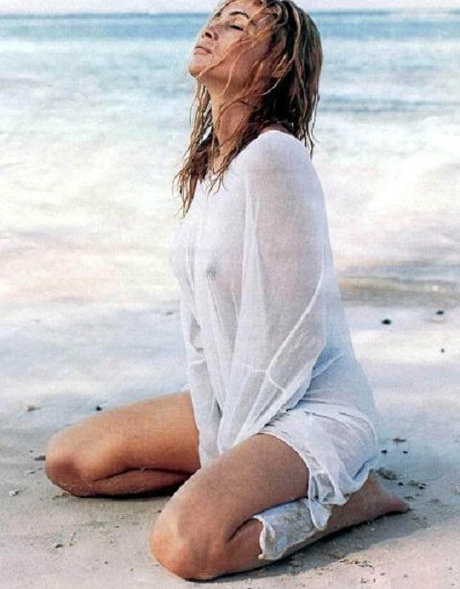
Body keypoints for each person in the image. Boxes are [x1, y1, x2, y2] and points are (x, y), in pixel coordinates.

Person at [44, 0, 409, 581]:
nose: (212, 27)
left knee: (187, 545)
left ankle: (351, 499)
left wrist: (236, 446)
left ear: (276, 64)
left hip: (306, 406)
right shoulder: (214, 166)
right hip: (237, 395)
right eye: (217, 17)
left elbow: (294, 330)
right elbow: (200, 323)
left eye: (238, 25)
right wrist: (218, 432)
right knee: (72, 462)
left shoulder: (275, 157)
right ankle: (245, 478)